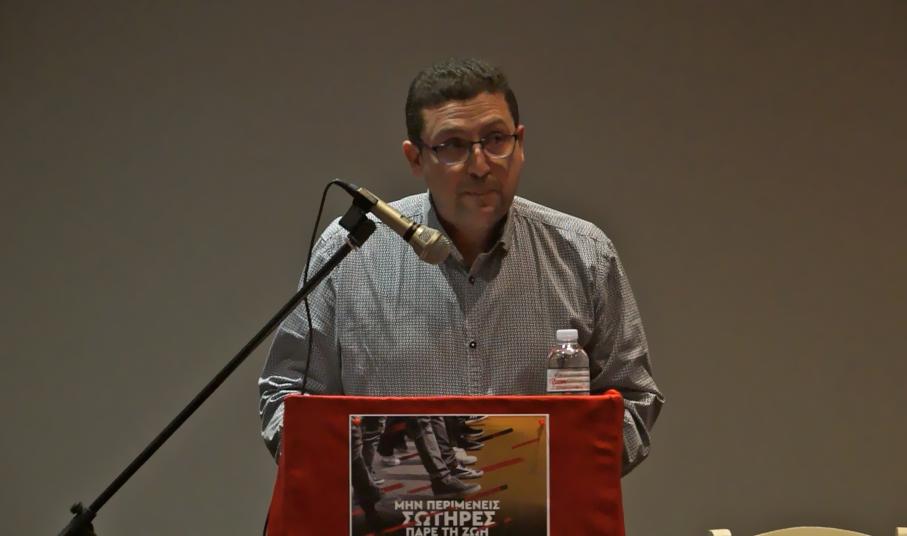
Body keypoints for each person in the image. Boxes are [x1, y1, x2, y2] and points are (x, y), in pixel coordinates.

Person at [259, 57, 664, 475]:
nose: (480, 166)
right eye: (452, 145)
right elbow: (285, 398)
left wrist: (546, 472)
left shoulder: (584, 253)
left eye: (496, 139)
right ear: (415, 158)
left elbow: (634, 401)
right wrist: (363, 477)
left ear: (520, 143)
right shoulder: (352, 252)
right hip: (388, 507)